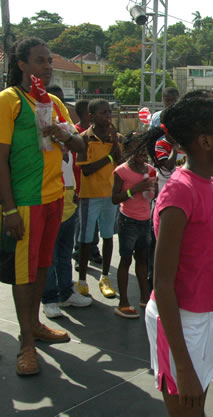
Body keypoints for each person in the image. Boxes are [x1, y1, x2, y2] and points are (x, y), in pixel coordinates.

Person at [139, 91, 213, 417]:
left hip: (200, 321)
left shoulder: (207, 183)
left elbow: (202, 276)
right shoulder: (180, 193)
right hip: (175, 326)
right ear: (206, 142)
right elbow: (163, 283)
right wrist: (184, 366)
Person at [0, 37, 85, 375]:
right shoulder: (9, 101)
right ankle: (26, 344)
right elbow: (0, 159)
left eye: (49, 61)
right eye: (40, 61)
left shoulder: (51, 102)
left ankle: (34, 325)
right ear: (21, 65)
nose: (48, 67)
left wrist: (61, 134)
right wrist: (8, 208)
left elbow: (79, 143)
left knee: (40, 268)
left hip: (54, 199)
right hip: (25, 201)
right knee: (24, 272)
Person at [75, 99, 123, 298]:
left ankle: (105, 277)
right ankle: (83, 280)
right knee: (86, 239)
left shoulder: (115, 138)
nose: (108, 116)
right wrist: (109, 157)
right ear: (91, 116)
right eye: (103, 113)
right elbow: (86, 169)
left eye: (109, 112)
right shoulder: (84, 138)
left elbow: (121, 163)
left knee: (108, 236)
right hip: (90, 196)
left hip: (109, 196)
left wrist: (114, 145)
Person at [42, 146, 93, 319]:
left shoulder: (69, 150)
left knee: (64, 254)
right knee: (49, 257)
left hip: (69, 204)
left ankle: (65, 293)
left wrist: (74, 192)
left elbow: (70, 172)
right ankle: (49, 299)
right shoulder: (45, 149)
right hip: (50, 202)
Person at [111, 133, 157, 318]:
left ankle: (145, 297)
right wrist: (134, 190)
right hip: (128, 221)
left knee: (143, 261)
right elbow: (115, 198)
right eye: (138, 148)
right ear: (129, 149)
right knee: (126, 259)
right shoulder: (122, 171)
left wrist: (154, 189)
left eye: (145, 149)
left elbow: (155, 194)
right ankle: (123, 302)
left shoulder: (150, 170)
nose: (143, 152)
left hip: (145, 221)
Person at [72, 99, 103, 267]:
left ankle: (93, 249)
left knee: (94, 221)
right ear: (87, 114)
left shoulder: (100, 133)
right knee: (82, 222)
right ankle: (79, 253)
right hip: (80, 185)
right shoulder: (76, 133)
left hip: (97, 186)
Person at [151, 87, 180, 191]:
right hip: (162, 156)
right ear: (163, 100)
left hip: (179, 156)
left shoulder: (184, 117)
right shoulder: (156, 117)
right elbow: (151, 139)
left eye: (174, 100)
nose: (171, 103)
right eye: (168, 100)